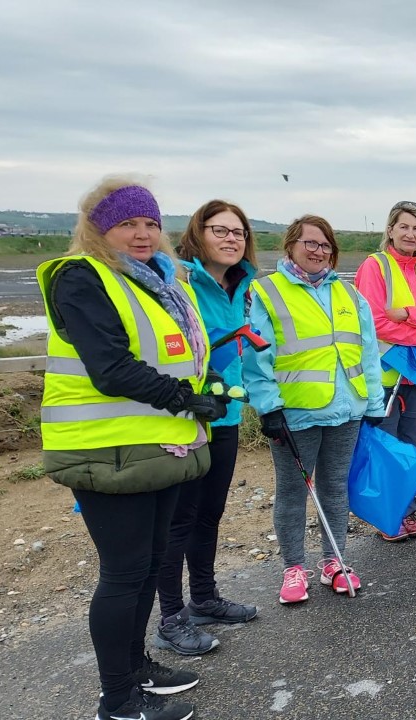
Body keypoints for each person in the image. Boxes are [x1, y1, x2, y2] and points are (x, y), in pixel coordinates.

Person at [40, 176, 222, 720]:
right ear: (98, 229)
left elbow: (167, 352)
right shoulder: (81, 277)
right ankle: (117, 699)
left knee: (148, 565)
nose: (142, 234)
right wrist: (185, 398)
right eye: (127, 224)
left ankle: (137, 668)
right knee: (123, 572)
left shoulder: (153, 281)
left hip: (154, 443)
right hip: (105, 447)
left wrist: (197, 391)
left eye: (149, 223)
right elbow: (110, 367)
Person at [243, 214, 385, 604]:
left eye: (325, 246)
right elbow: (256, 357)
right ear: (291, 245)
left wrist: (373, 403)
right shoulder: (266, 292)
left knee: (335, 488)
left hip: (347, 409)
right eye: (311, 243)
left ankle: (333, 562)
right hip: (295, 413)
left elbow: (368, 353)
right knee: (291, 491)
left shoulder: (350, 294)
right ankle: (292, 567)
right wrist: (267, 406)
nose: (319, 251)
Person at [152, 200, 261, 657]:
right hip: (187, 418)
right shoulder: (179, 282)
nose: (231, 238)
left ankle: (204, 598)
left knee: (209, 515)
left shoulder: (241, 285)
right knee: (178, 521)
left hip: (228, 415)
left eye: (238, 232)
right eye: (221, 230)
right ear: (199, 233)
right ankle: (171, 618)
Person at [353, 201, 416, 542]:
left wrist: (408, 313)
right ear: (391, 230)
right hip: (383, 376)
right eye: (404, 226)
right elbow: (375, 322)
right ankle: (387, 515)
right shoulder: (374, 266)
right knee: (385, 445)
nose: (411, 233)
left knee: (411, 446)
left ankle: (409, 511)